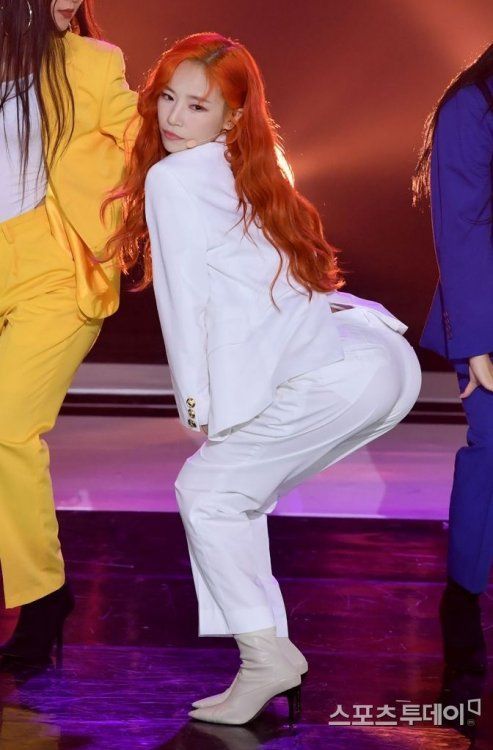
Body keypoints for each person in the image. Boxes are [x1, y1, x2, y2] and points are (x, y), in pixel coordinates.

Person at [109, 32, 421, 725]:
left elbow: (185, 302)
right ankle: (268, 657)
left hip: (335, 373)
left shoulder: (173, 179)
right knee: (232, 497)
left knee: (207, 491)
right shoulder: (252, 164)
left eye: (197, 106)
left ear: (231, 116)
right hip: (370, 357)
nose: (173, 117)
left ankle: (264, 659)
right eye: (167, 98)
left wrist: (196, 404)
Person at [0, 0, 137, 673]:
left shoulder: (92, 63)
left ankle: (42, 595)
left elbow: (154, 141)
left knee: (6, 427)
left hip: (56, 263)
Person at [414, 44, 493, 680]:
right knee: (491, 451)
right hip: (488, 312)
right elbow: (460, 227)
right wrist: (474, 340)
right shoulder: (473, 104)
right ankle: (463, 597)